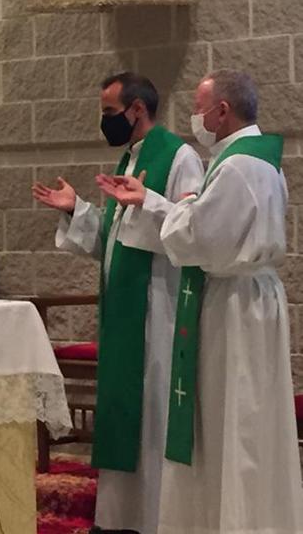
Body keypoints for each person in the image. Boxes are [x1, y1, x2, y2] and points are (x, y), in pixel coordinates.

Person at [98, 70, 303, 534]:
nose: (195, 116)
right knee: (243, 417)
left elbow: (199, 237)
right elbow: (203, 225)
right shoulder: (256, 159)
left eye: (199, 105)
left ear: (222, 111)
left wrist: (150, 205)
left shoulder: (237, 166)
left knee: (235, 420)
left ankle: (238, 521)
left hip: (233, 305)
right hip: (246, 297)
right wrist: (150, 201)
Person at [32, 72, 204, 533]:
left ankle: (156, 519)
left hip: (159, 309)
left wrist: (147, 203)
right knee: (129, 415)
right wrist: (76, 210)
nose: (103, 121)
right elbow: (112, 241)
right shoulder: (131, 158)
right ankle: (121, 519)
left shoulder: (180, 157)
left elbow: (191, 231)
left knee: (151, 418)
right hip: (125, 309)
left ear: (137, 110)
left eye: (109, 112)